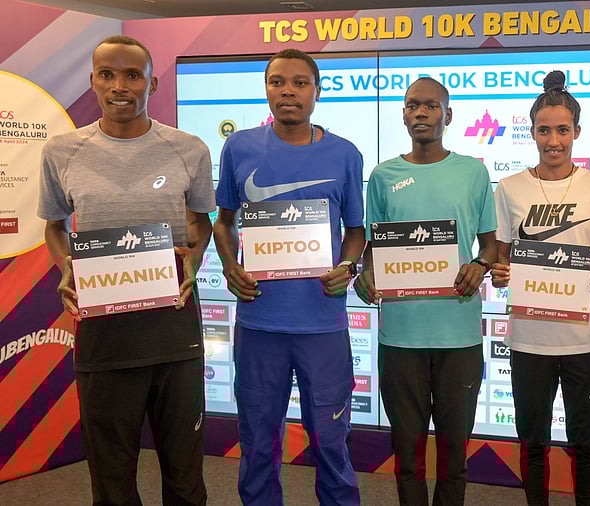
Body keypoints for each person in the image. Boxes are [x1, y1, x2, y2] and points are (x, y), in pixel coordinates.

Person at [38, 35, 212, 505]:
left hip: (174, 335)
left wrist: (193, 262)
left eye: (132, 75)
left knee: (185, 477)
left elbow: (201, 222)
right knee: (112, 481)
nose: (120, 85)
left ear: (151, 83)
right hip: (104, 339)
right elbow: (55, 227)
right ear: (92, 80)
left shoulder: (188, 148)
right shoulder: (62, 151)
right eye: (108, 74)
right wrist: (64, 269)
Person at [212, 49, 364, 506]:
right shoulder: (239, 148)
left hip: (323, 326)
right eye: (278, 82)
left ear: (316, 91)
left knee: (332, 443)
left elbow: (355, 231)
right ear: (266, 88)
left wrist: (349, 267)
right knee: (257, 443)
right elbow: (223, 222)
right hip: (259, 325)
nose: (288, 91)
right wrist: (229, 264)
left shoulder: (345, 154)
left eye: (299, 83)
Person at [353, 77, 497, 505]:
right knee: (408, 454)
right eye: (413, 105)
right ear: (402, 114)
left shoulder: (474, 171)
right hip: (401, 337)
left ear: (447, 115)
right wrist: (366, 276)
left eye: (431, 106)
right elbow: (373, 249)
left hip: (459, 336)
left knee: (454, 455)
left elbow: (489, 246)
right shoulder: (383, 176)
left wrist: (480, 264)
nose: (421, 113)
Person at [489, 71, 590, 506]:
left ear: (576, 132)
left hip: (584, 337)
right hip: (529, 338)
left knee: (586, 443)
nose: (554, 140)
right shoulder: (508, 188)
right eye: (545, 130)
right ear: (532, 132)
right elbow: (501, 258)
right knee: (533, 442)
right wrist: (500, 273)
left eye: (563, 130)